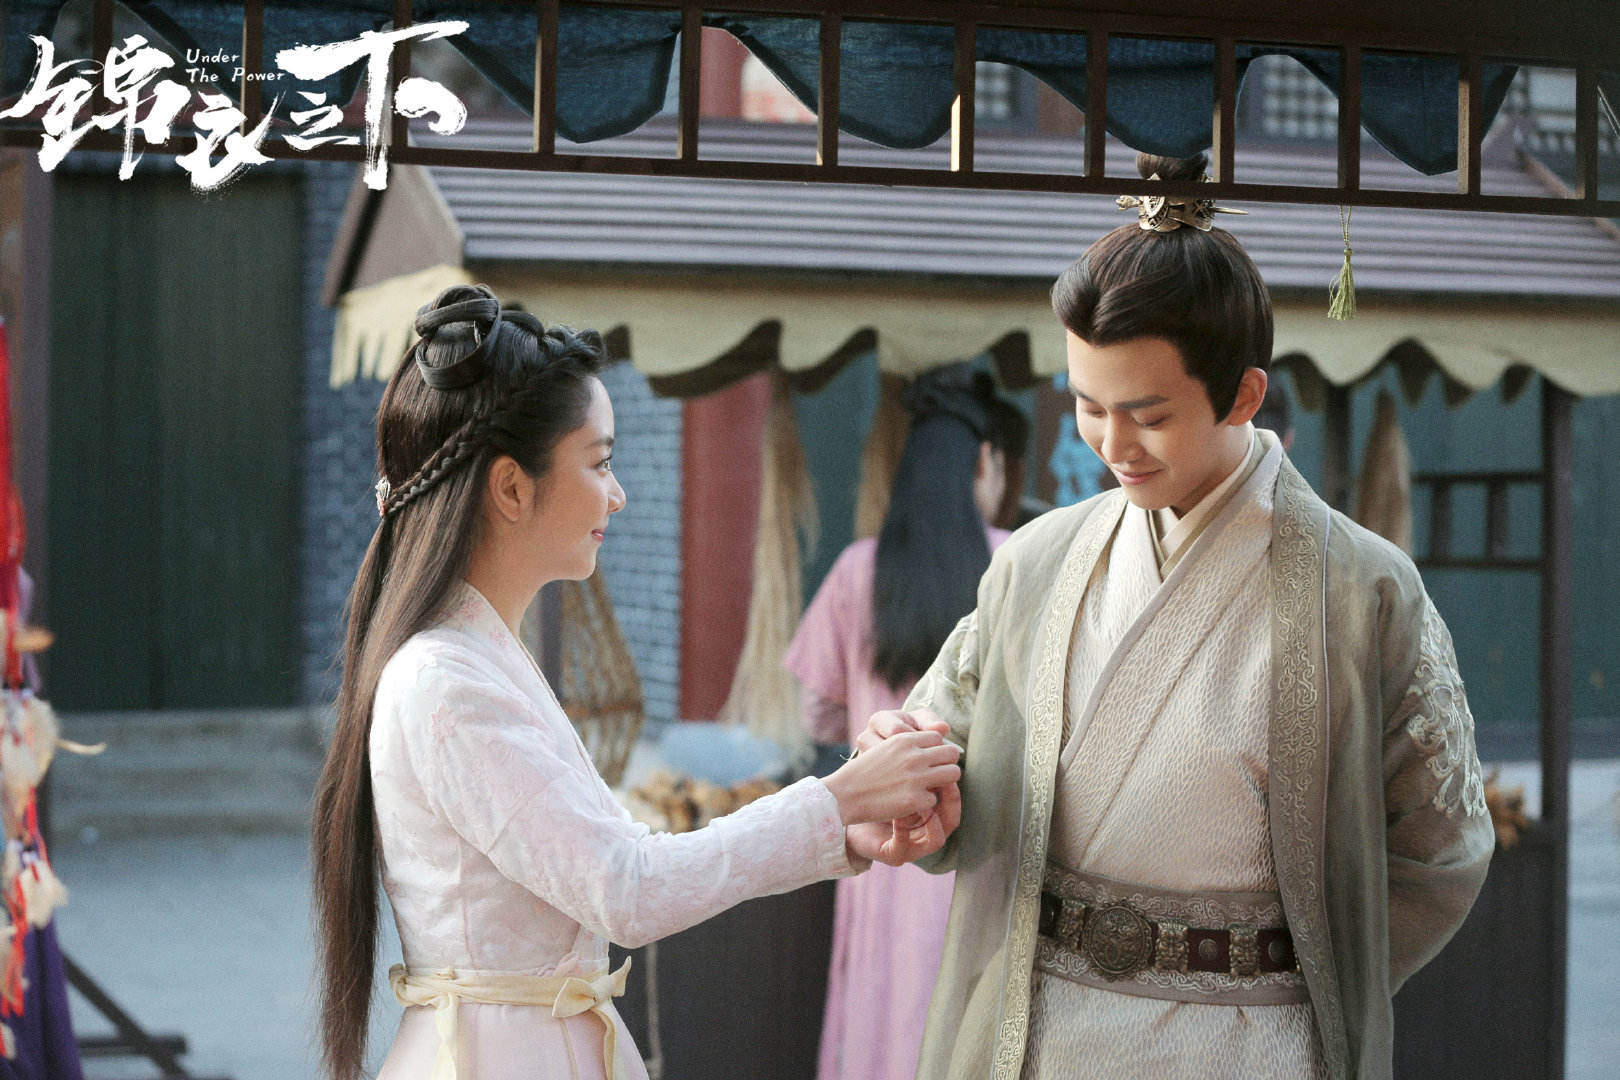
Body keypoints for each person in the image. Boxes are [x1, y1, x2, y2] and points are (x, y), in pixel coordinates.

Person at [859, 154, 1493, 1080]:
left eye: (1148, 415)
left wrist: (1321, 976)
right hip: (1044, 1038)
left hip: (1257, 1041)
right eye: (1088, 407)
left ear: (1244, 394)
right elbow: (944, 747)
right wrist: (914, 785)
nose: (1113, 444)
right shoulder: (1036, 564)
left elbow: (1441, 850)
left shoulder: (1363, 591)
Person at [310, 285, 963, 1080]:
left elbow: (618, 866)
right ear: (512, 488)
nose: (617, 495)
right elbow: (626, 887)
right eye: (599, 462)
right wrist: (836, 800)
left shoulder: (474, 660)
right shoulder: (446, 681)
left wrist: (842, 828)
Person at [784, 366, 1027, 1080]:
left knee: (880, 1019)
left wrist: (871, 720)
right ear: (985, 463)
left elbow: (816, 711)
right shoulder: (1015, 563)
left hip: (883, 844)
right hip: (983, 847)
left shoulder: (857, 570)